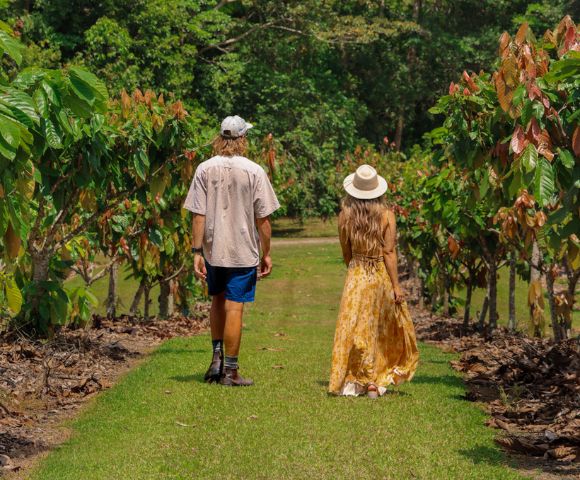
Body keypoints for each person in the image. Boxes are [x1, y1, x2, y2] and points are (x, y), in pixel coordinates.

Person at [183, 115, 280, 386]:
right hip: (242, 249)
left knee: (217, 300)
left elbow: (198, 215)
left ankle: (216, 358)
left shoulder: (204, 169)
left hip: (214, 249)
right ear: (242, 140)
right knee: (234, 307)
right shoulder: (254, 171)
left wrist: (196, 251)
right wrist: (267, 252)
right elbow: (263, 219)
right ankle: (230, 371)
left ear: (220, 138)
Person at [329, 164, 419, 398]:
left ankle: (360, 378)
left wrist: (355, 266)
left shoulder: (345, 216)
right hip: (379, 274)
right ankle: (374, 381)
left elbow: (345, 252)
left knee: (356, 329)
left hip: (357, 272)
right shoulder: (387, 215)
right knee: (379, 329)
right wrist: (396, 285)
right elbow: (389, 253)